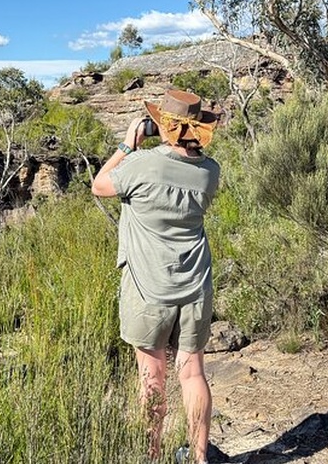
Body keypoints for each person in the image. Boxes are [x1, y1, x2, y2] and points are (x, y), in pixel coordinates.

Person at [92, 90, 223, 464]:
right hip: (195, 285)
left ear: (164, 126)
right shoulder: (210, 172)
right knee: (192, 373)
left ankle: (151, 456)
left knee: (151, 378)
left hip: (147, 287)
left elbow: (99, 185)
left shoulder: (141, 164)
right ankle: (198, 458)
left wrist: (127, 144)